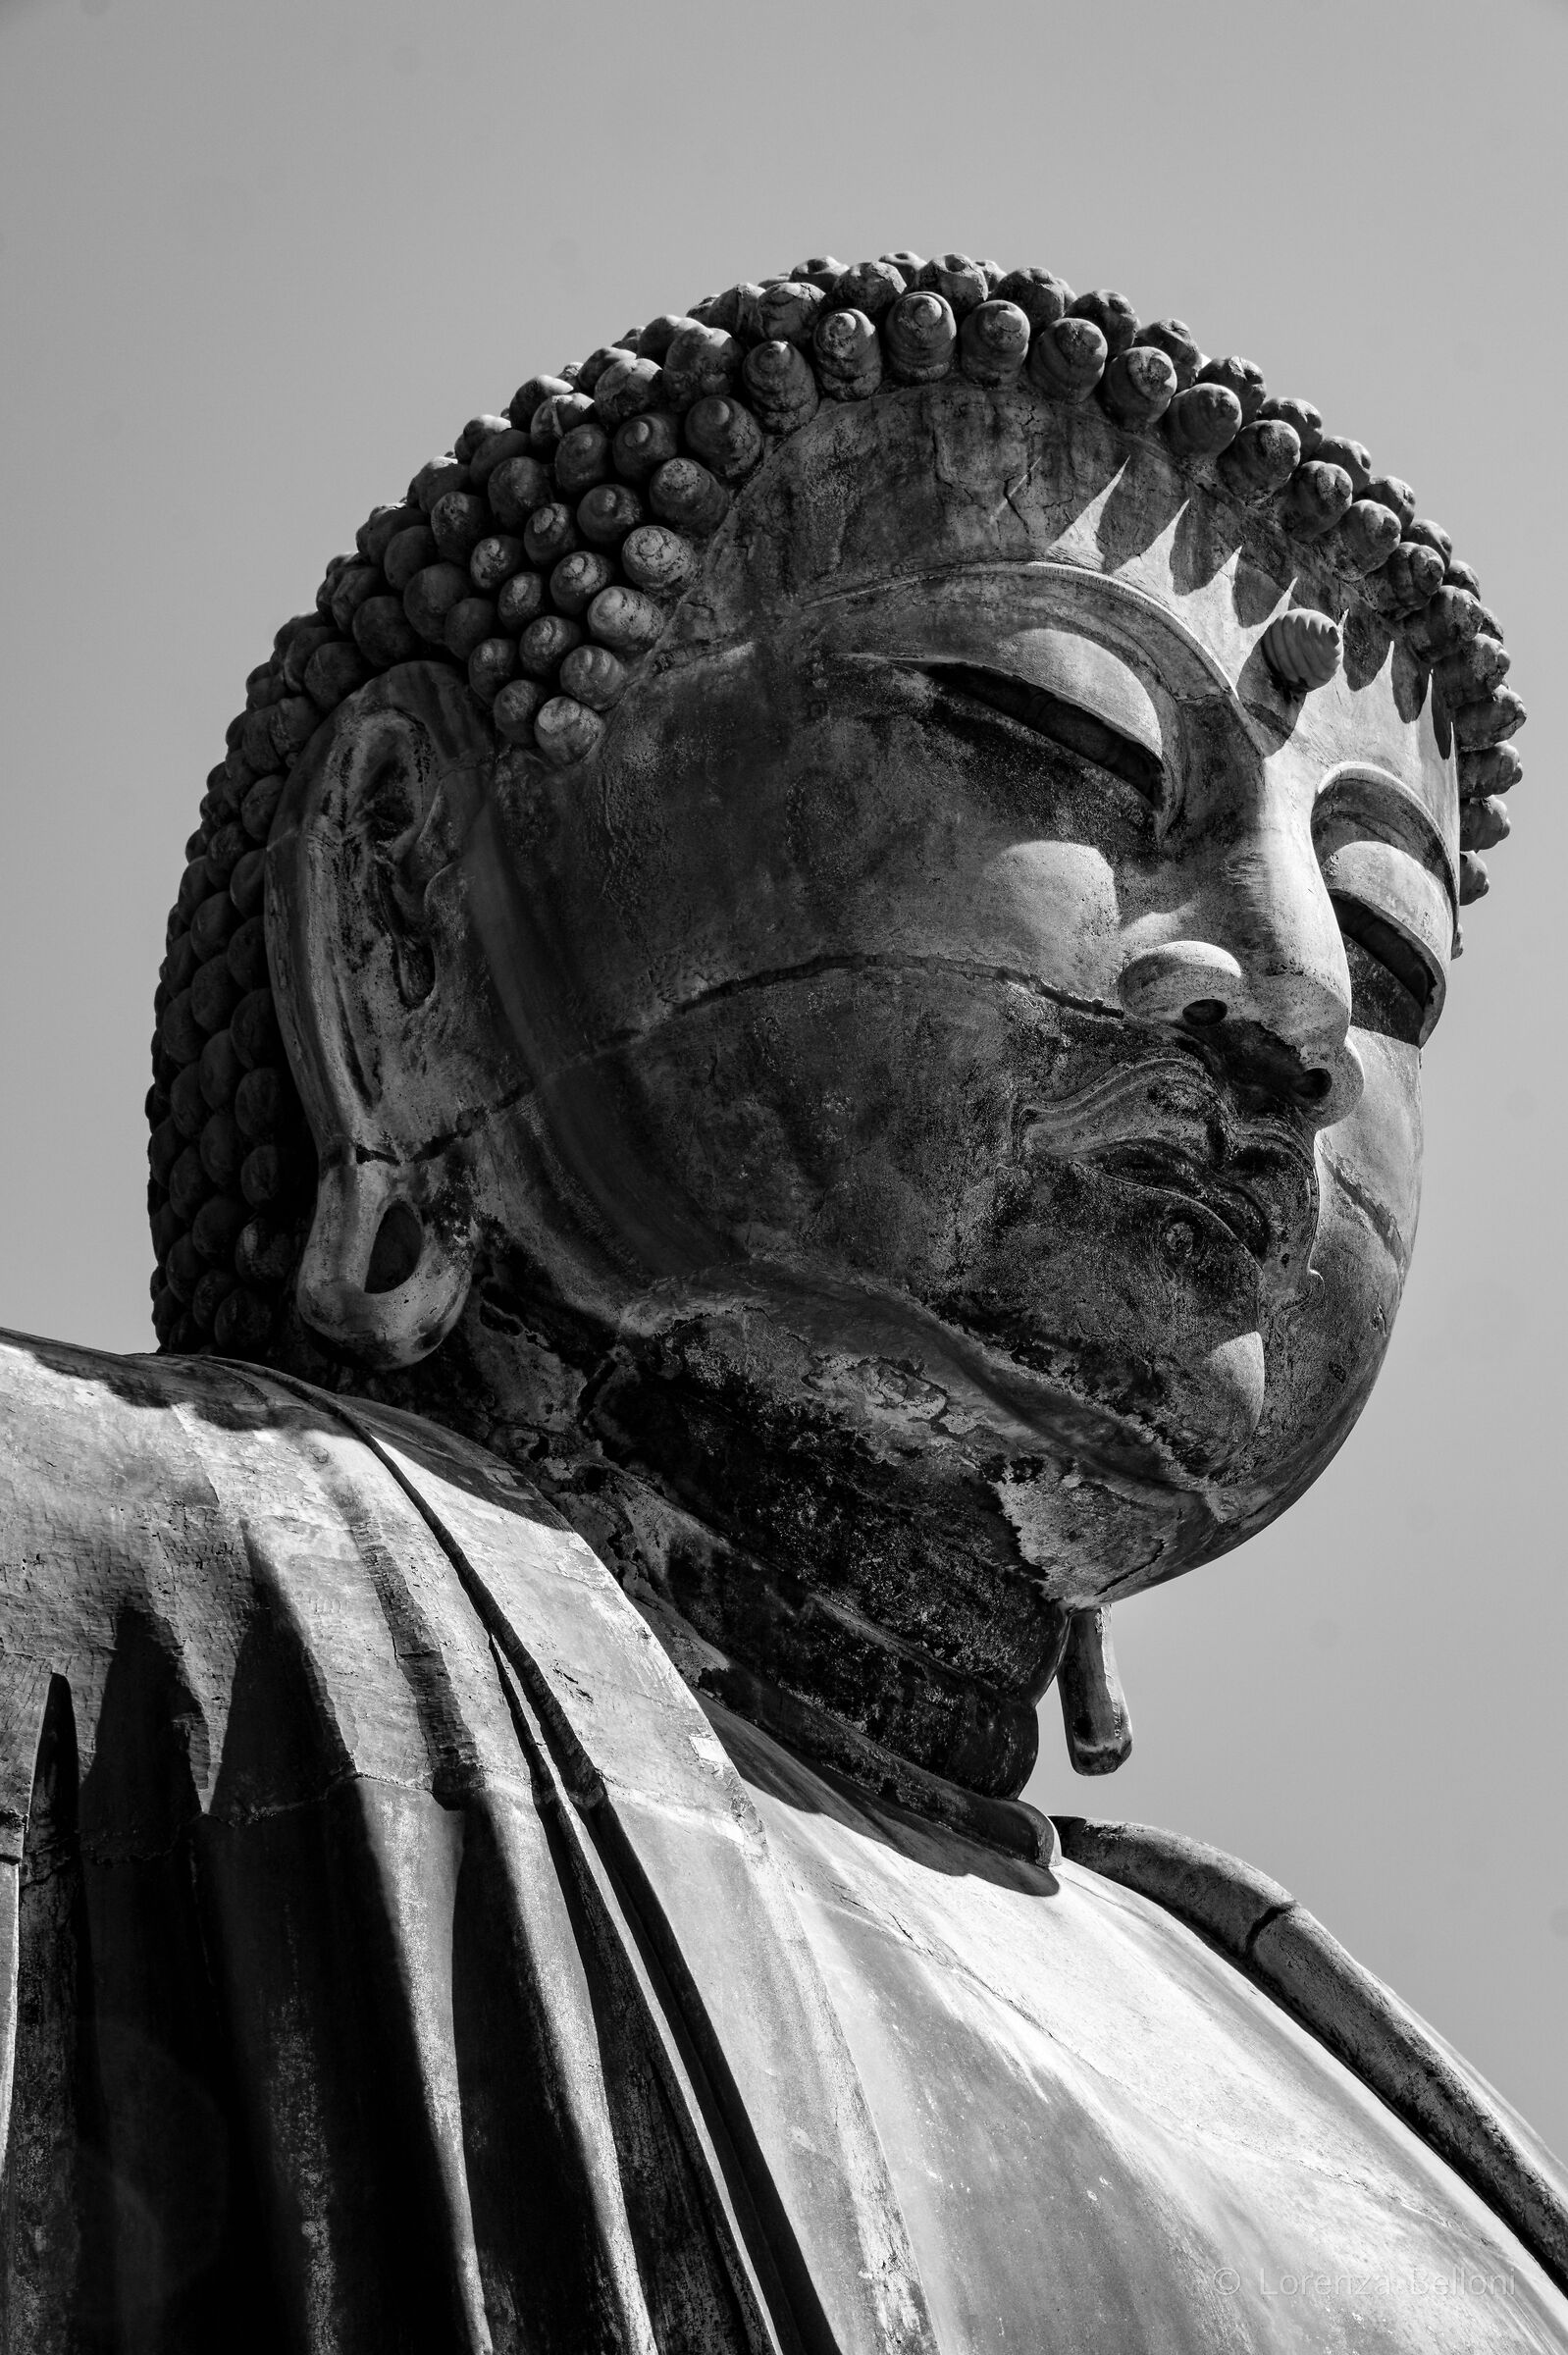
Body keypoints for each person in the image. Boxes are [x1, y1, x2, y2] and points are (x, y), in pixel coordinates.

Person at [0, 251, 1553, 2351]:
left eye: (1389, 952)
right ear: (409, 913)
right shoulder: (104, 1591)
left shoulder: (1380, 2127)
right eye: (1048, 728)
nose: (1287, 1001)